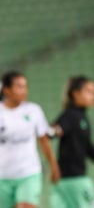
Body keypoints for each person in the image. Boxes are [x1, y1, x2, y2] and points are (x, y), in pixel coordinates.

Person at [0, 70, 60, 208]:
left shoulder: (34, 110)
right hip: (1, 176)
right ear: (6, 90)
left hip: (29, 173)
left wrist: (54, 165)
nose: (24, 91)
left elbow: (43, 140)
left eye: (25, 86)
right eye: (19, 86)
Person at [49, 75, 94, 208]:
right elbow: (53, 132)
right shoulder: (70, 115)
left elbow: (86, 147)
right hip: (74, 180)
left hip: (66, 180)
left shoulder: (82, 118)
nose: (92, 96)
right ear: (76, 93)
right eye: (89, 92)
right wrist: (50, 131)